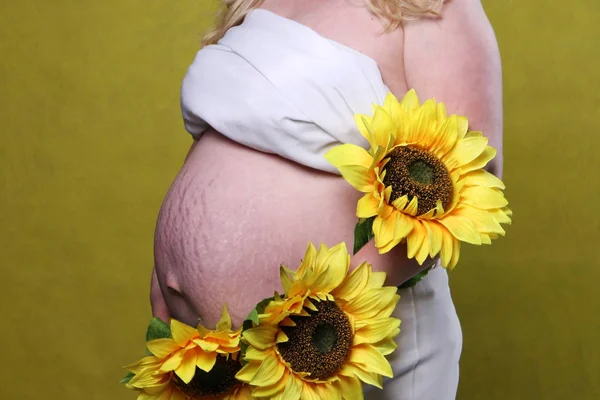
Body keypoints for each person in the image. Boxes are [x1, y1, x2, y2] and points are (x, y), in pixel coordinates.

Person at [150, 0, 503, 398]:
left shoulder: (432, 6)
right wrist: (169, 275)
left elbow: (470, 177)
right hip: (225, 359)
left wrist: (333, 318)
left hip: (341, 349)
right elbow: (223, 130)